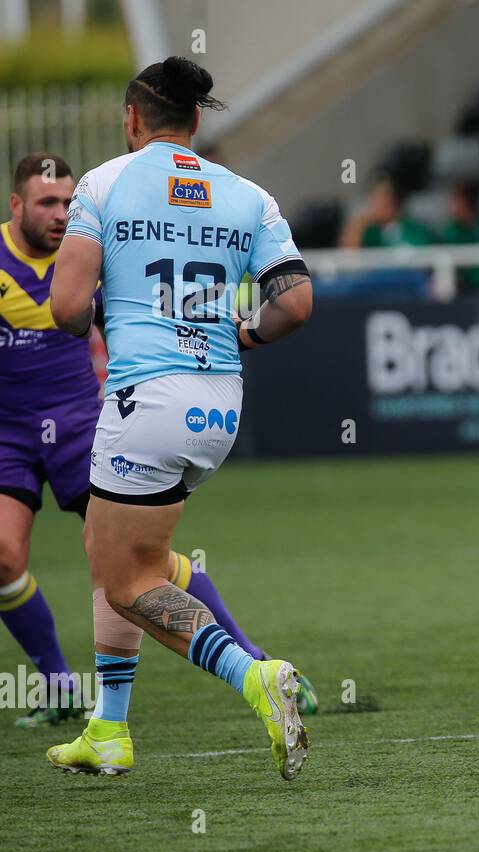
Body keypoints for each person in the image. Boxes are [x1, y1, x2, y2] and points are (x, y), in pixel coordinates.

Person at [48, 56, 314, 777]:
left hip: (145, 400)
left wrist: (112, 305)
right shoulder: (247, 196)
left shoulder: (104, 184)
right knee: (113, 551)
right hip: (219, 406)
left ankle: (251, 674)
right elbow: (294, 302)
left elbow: (67, 307)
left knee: (126, 581)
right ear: (195, 122)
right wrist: (243, 332)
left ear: (133, 119)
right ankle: (108, 728)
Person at [0, 152, 317, 729]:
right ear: (15, 204)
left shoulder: (96, 238)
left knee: (128, 569)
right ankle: (75, 698)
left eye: (67, 203)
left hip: (85, 422)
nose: (60, 213)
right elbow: (291, 303)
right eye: (47, 202)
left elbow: (77, 313)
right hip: (14, 434)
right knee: (41, 556)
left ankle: (254, 665)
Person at [339, 172, 435, 249]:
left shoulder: (415, 231)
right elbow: (348, 261)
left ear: (395, 202)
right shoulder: (370, 233)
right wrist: (357, 226)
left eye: (379, 199)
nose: (373, 205)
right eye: (373, 198)